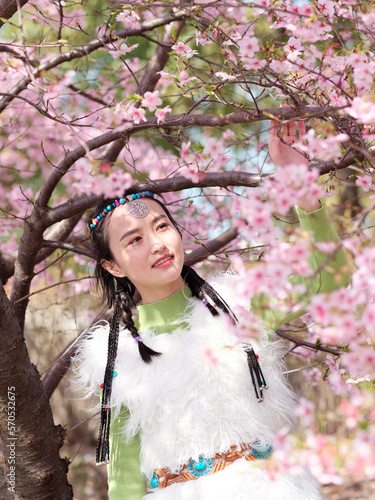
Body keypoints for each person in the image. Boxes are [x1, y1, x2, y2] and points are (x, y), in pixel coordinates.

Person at [73, 119, 349, 500]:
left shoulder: (239, 305)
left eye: (162, 227)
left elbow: (327, 281)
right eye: (134, 239)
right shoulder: (115, 357)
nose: (156, 244)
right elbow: (125, 478)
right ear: (113, 266)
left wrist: (301, 186)